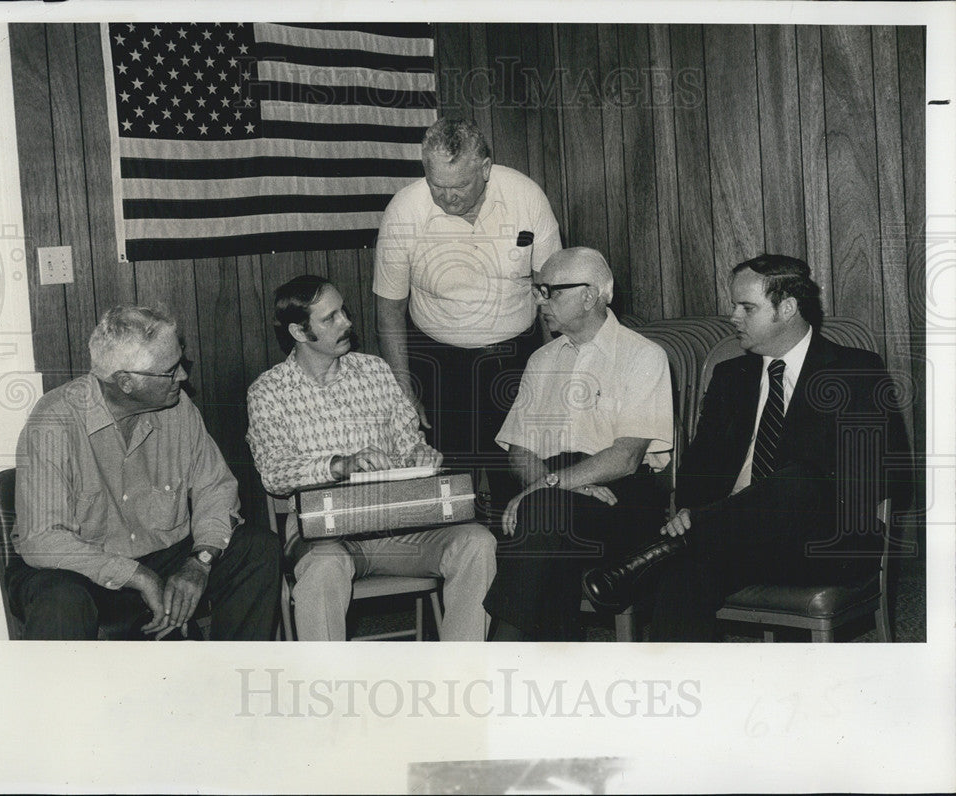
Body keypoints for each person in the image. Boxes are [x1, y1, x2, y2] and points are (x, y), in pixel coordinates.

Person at [582, 254, 909, 641]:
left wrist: (721, 514)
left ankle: (663, 549)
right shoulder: (730, 377)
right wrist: (700, 511)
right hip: (730, 537)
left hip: (822, 540)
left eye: (746, 307)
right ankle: (679, 689)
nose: (733, 316)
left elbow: (890, 475)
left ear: (786, 308)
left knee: (800, 479)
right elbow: (696, 475)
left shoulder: (854, 371)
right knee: (686, 576)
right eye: (734, 304)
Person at [246, 275, 496, 641]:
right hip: (325, 538)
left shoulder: (375, 371)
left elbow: (408, 439)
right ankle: (325, 691)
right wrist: (339, 465)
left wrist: (420, 454)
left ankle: (462, 678)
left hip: (400, 528)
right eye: (330, 318)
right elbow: (273, 472)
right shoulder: (268, 392)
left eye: (343, 311)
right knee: (324, 568)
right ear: (299, 332)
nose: (347, 322)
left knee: (478, 543)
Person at [8, 305, 281, 640]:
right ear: (126, 382)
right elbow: (43, 541)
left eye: (182, 362)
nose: (183, 376)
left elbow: (216, 489)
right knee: (60, 601)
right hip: (76, 569)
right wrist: (137, 575)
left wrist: (200, 560)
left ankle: (230, 678)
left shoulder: (180, 410)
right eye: (170, 371)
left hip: (161, 556)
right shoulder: (54, 422)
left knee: (257, 549)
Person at [373, 116, 563, 516]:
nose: (448, 198)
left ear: (486, 168)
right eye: (436, 185)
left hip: (517, 358)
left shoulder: (527, 197)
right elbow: (389, 312)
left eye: (459, 186)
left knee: (519, 489)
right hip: (439, 363)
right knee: (449, 495)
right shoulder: (405, 211)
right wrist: (405, 392)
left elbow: (551, 298)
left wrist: (554, 377)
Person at [482, 248, 674, 641]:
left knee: (542, 515)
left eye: (549, 291)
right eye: (537, 291)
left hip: (623, 497)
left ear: (589, 295)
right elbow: (520, 449)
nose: (539, 301)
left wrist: (550, 486)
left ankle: (504, 656)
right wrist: (561, 484)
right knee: (546, 518)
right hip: (558, 489)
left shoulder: (643, 356)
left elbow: (625, 457)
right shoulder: (541, 359)